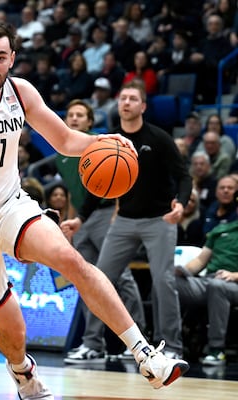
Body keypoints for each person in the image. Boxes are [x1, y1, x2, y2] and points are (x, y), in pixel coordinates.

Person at [0, 22, 189, 400]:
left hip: (8, 206)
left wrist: (104, 141)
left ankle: (145, 353)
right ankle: (23, 372)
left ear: (12, 60)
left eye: (0, 57)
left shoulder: (21, 92)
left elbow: (66, 140)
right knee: (13, 332)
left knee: (71, 260)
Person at [64, 79, 193, 365]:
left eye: (133, 99)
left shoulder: (159, 139)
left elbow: (184, 176)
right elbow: (99, 188)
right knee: (98, 280)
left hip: (159, 221)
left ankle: (170, 347)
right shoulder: (110, 141)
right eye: (123, 98)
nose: (126, 103)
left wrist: (180, 203)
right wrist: (80, 219)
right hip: (123, 220)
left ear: (143, 106)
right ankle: (92, 345)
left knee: (163, 282)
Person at [58, 101, 145, 362]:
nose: (73, 119)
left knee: (122, 277)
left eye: (80, 115)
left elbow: (121, 182)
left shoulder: (101, 146)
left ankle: (139, 342)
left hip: (108, 213)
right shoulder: (62, 153)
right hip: (82, 221)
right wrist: (72, 222)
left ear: (89, 122)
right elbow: (74, 194)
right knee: (84, 279)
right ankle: (92, 345)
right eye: (70, 114)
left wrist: (118, 216)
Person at [176, 200, 238, 366]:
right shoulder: (219, 230)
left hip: (231, 283)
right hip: (210, 280)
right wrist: (182, 270)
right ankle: (168, 345)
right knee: (168, 282)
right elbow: (200, 261)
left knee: (218, 286)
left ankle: (216, 349)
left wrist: (234, 275)